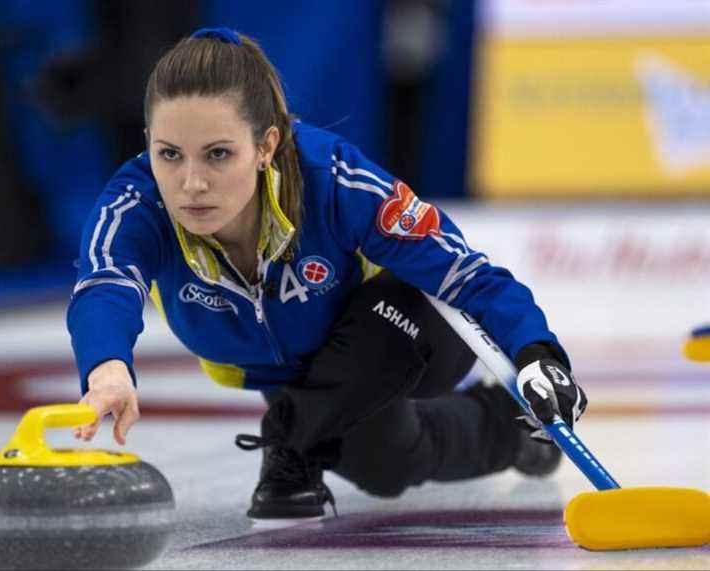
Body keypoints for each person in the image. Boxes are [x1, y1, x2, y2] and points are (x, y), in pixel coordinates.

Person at [68, 27, 588, 520]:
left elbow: (465, 274)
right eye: (170, 155)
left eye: (219, 154)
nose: (191, 183)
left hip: (411, 326)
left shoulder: (332, 178)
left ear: (266, 146)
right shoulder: (136, 205)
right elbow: (105, 286)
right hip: (295, 373)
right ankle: (509, 429)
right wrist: (107, 366)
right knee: (387, 466)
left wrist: (536, 355)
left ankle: (290, 436)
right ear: (148, 144)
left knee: (341, 383)